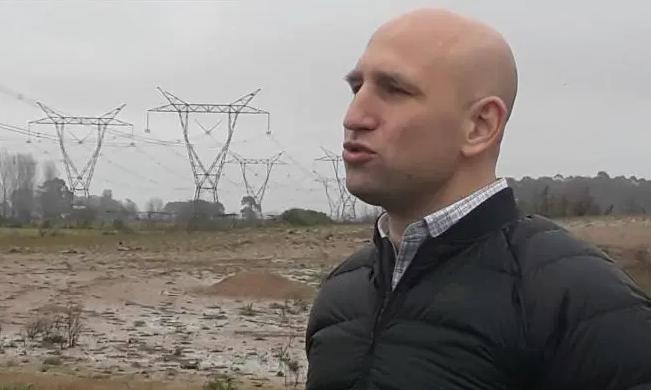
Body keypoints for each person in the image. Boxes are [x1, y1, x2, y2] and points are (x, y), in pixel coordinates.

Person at [305, 7, 651, 390]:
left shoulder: (585, 304)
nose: (353, 117)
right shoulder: (340, 292)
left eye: (394, 90)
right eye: (357, 88)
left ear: (479, 126)